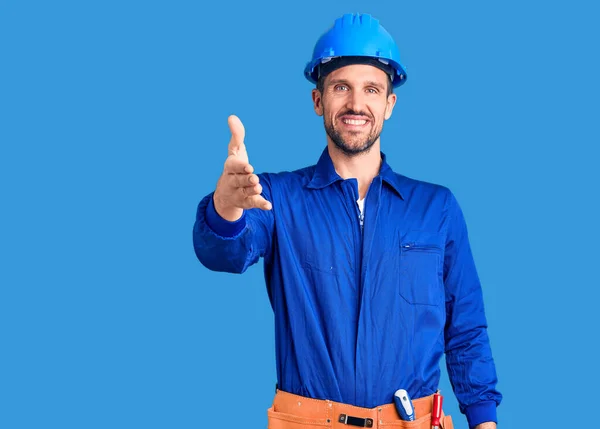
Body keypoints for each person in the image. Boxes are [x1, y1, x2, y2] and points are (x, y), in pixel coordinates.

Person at [193, 12, 502, 429]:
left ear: (389, 104)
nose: (356, 104)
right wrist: (227, 206)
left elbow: (466, 329)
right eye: (341, 87)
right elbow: (224, 253)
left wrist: (484, 421)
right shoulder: (276, 199)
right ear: (319, 100)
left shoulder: (436, 209)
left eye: (371, 89)